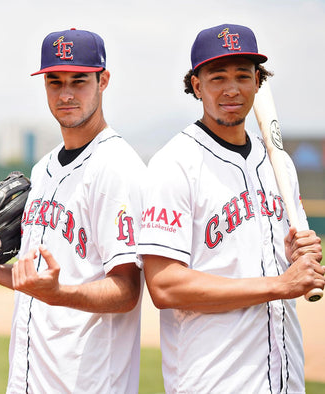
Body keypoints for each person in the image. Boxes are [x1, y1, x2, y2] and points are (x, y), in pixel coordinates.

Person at [137, 23, 324, 393]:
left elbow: (290, 268)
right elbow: (165, 286)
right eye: (217, 77)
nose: (232, 88)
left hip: (286, 379)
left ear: (259, 81)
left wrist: (296, 257)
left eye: (243, 75)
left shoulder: (279, 165)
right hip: (214, 382)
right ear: (196, 85)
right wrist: (278, 284)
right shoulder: (174, 163)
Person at [0, 28, 145, 393]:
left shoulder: (117, 168)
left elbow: (127, 291)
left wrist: (58, 294)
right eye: (55, 81)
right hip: (29, 379)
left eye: (79, 81)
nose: (65, 94)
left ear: (103, 80)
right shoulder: (42, 169)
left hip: (89, 382)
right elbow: (38, 281)